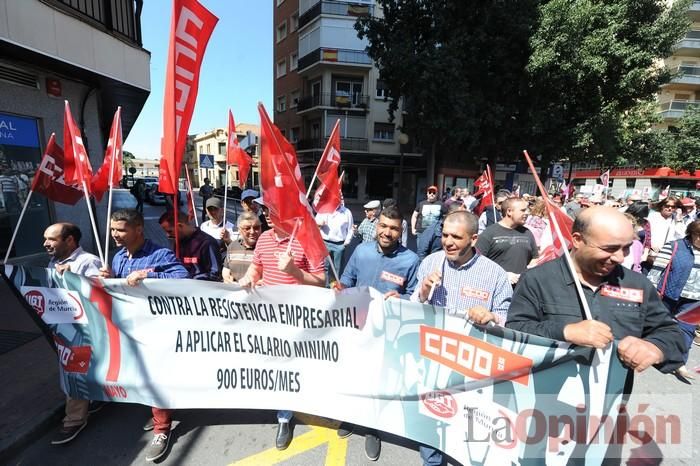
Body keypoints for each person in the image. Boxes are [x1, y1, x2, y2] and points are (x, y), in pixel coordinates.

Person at [506, 206, 685, 381]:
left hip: (609, 402)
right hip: (543, 396)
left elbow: (671, 333)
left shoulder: (637, 284)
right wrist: (564, 332)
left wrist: (655, 347)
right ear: (577, 240)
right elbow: (515, 330)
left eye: (626, 248)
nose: (620, 258)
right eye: (609, 248)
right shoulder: (537, 279)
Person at [411, 210, 512, 466]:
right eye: (444, 235)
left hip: (472, 366)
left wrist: (490, 316)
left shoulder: (495, 274)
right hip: (433, 359)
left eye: (456, 237)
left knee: (468, 429)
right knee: (431, 423)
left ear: (474, 239)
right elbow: (414, 308)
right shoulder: (430, 262)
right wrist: (422, 292)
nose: (448, 242)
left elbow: (507, 318)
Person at [98, 209, 188, 462]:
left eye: (121, 230)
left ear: (138, 229)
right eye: (113, 230)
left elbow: (182, 278)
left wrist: (148, 275)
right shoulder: (117, 258)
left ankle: (162, 429)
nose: (115, 235)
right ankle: (160, 411)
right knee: (144, 377)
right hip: (131, 330)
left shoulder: (160, 254)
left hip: (157, 329)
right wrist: (109, 279)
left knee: (156, 375)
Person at [238, 196, 325, 451]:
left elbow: (321, 280)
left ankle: (299, 410)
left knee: (299, 366)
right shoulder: (264, 239)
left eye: (272, 209)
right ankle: (284, 414)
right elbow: (257, 267)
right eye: (265, 209)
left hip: (301, 319)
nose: (266, 214)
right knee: (280, 367)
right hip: (270, 318)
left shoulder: (307, 239)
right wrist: (248, 278)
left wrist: (294, 272)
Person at [335, 204, 420, 461]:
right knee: (353, 375)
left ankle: (373, 427)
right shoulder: (360, 251)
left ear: (401, 230)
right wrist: (340, 286)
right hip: (358, 325)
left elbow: (415, 296)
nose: (387, 232)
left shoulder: (411, 260)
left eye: (393, 228)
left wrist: (402, 296)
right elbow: (347, 279)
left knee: (378, 380)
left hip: (388, 332)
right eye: (383, 226)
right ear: (376, 226)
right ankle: (350, 417)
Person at [43, 223, 102, 445]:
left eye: (51, 239)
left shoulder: (88, 262)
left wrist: (77, 281)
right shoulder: (53, 262)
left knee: (74, 370)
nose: (46, 244)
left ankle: (75, 419)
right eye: (45, 239)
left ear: (69, 240)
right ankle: (95, 399)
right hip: (63, 326)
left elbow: (102, 293)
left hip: (84, 330)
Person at [646, 219, 700, 378]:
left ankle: (679, 362)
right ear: (692, 233)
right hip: (669, 294)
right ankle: (652, 352)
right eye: (698, 235)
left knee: (687, 330)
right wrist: (651, 289)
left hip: (695, 299)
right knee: (659, 325)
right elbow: (657, 269)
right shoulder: (674, 246)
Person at [476, 197, 538, 286]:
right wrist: (503, 275)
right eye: (523, 210)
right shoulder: (489, 233)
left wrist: (529, 269)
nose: (527, 213)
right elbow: (478, 262)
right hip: (495, 287)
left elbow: (535, 257)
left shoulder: (527, 233)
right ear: (509, 211)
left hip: (520, 289)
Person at [158, 210, 222, 281]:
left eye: (169, 231)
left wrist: (191, 279)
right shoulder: (178, 242)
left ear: (180, 226)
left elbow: (215, 274)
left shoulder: (206, 243)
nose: (167, 235)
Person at [315, 201, 354, 284]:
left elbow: (350, 229)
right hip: (325, 242)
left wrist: (346, 242)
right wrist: (319, 224)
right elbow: (314, 222)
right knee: (324, 267)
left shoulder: (346, 212)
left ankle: (337, 287)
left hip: (339, 244)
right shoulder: (323, 209)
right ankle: (325, 286)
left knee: (338, 268)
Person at [222, 211, 261, 283]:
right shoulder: (232, 246)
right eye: (247, 228)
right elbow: (226, 270)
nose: (252, 232)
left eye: (256, 228)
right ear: (239, 230)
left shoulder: (266, 247)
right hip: (234, 292)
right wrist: (227, 277)